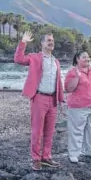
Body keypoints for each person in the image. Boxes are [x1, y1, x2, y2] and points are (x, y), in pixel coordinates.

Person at [14, 31, 65, 170]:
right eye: (48, 40)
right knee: (37, 131)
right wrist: (23, 42)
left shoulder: (56, 61)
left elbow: (58, 81)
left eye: (52, 40)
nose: (51, 42)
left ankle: (46, 157)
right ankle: (36, 159)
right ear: (42, 43)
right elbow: (18, 59)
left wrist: (61, 100)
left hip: (53, 99)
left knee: (50, 131)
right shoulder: (34, 57)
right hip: (39, 98)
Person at [64, 51, 91, 163]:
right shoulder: (72, 72)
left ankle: (89, 150)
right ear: (77, 59)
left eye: (88, 56)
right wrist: (77, 76)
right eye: (84, 57)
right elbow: (68, 89)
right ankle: (74, 153)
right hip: (77, 107)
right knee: (76, 131)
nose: (87, 59)